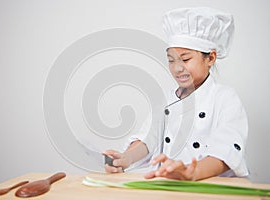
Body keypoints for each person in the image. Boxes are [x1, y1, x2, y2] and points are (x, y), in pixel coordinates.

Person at [103, 7, 249, 181]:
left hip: (211, 186)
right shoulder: (166, 99)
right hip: (169, 185)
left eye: (186, 59)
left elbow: (227, 148)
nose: (177, 68)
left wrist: (192, 172)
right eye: (171, 60)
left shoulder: (225, 98)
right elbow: (148, 139)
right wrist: (125, 159)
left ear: (210, 58)